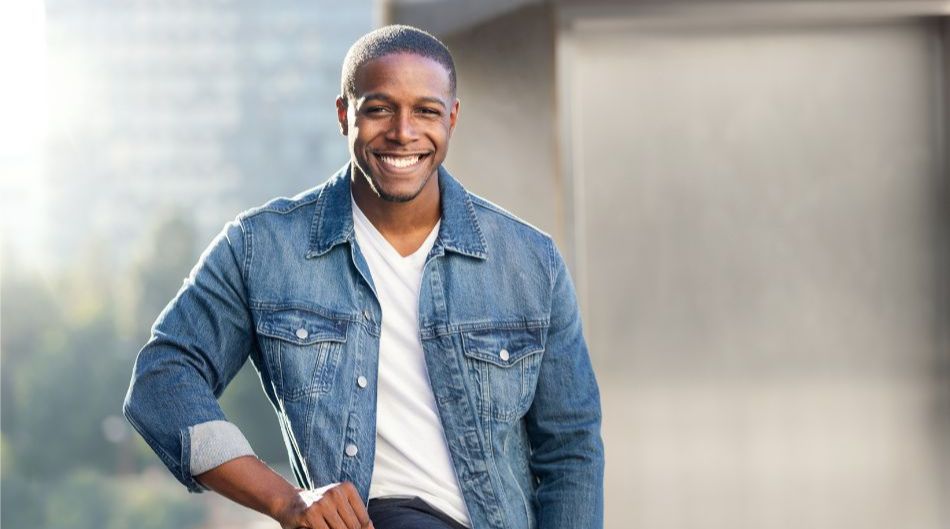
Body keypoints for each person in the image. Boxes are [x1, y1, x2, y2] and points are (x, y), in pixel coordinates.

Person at [123, 24, 603, 529]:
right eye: (378, 109)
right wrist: (286, 500)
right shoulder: (262, 248)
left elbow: (571, 449)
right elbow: (161, 381)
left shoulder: (530, 262)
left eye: (426, 111)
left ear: (452, 118)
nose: (403, 131)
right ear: (343, 114)